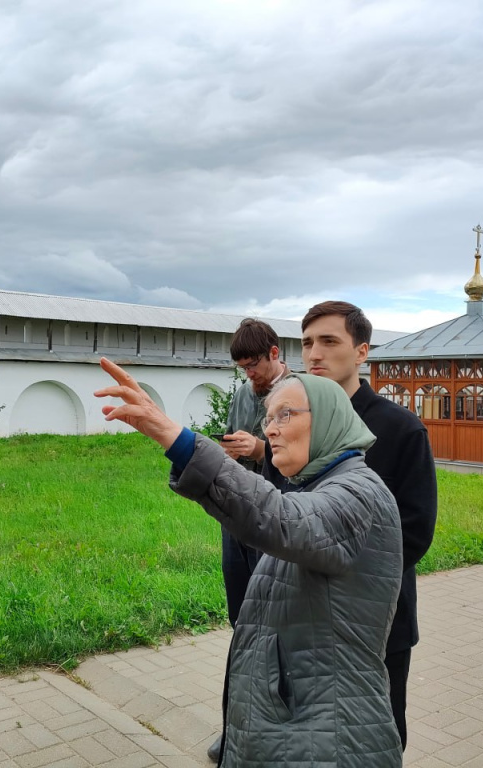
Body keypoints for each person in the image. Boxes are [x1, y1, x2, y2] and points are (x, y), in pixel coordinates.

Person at [96, 357, 404, 767]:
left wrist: (178, 439)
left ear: (329, 418)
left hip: (329, 736)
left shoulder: (358, 491)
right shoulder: (323, 485)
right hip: (299, 719)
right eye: (268, 418)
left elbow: (279, 517)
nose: (270, 429)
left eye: (287, 414)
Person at [298, 300, 438, 750]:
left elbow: (414, 532)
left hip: (377, 618)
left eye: (328, 341)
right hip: (304, 613)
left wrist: (343, 576)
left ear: (362, 352)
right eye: (306, 344)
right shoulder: (295, 421)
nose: (314, 354)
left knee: (378, 731)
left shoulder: (401, 430)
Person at [207, 319, 290, 761]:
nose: (249, 375)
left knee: (271, 633)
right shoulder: (244, 394)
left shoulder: (300, 393)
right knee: (241, 625)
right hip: (237, 520)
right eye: (242, 367)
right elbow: (236, 448)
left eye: (254, 365)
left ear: (275, 354)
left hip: (275, 523)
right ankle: (235, 729)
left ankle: (268, 734)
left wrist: (258, 451)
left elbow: (304, 460)